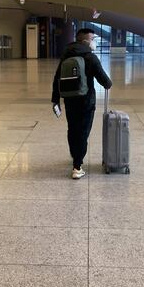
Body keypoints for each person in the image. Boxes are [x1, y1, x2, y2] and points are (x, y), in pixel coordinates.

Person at [52, 28, 112, 179]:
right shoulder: (89, 57)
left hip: (70, 100)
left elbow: (57, 77)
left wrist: (55, 100)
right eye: (93, 39)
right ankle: (77, 166)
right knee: (83, 132)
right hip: (86, 101)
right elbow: (105, 80)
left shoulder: (66, 54)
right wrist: (108, 84)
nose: (94, 42)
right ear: (86, 41)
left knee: (72, 129)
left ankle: (75, 157)